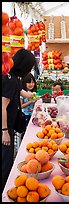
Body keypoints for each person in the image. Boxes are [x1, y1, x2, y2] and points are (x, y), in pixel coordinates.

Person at [2, 48, 36, 192]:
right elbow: (2, 106)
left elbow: (19, 91)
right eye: (30, 66)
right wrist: (4, 131)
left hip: (9, 124)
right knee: (4, 161)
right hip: (4, 126)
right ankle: (4, 190)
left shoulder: (14, 76)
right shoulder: (9, 79)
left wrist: (31, 96)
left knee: (7, 158)